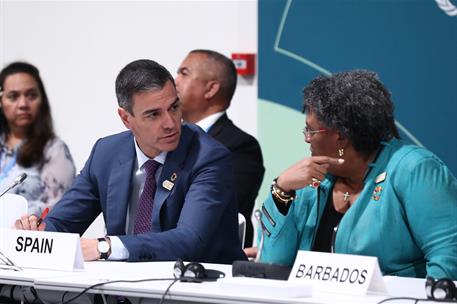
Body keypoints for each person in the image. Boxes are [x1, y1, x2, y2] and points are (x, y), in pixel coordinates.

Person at [15, 59, 247, 264]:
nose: (170, 123)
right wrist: (38, 232)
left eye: (174, 107)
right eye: (153, 114)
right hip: (122, 289)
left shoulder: (209, 157)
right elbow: (63, 223)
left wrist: (104, 247)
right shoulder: (106, 153)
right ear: (126, 118)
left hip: (197, 291)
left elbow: (189, 240)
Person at [257, 70, 457, 279]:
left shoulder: (414, 169)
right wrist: (282, 190)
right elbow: (273, 266)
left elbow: (449, 255)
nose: (307, 139)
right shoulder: (310, 179)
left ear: (341, 137)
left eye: (311, 130)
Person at [176, 49, 265, 247]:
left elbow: (217, 208)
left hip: (212, 259)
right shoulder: (168, 139)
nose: (175, 81)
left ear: (211, 89)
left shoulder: (240, 146)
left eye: (184, 73)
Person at [0, 62, 75, 215]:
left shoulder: (54, 150)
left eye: (31, 95)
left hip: (22, 237)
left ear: (42, 100)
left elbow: (58, 209)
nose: (23, 104)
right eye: (13, 97)